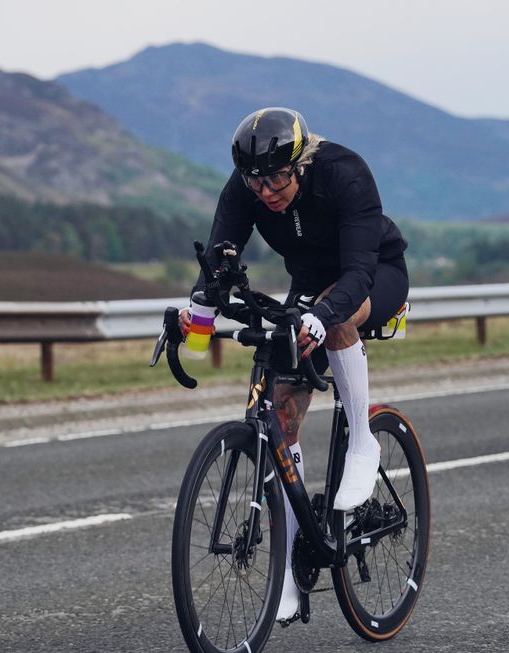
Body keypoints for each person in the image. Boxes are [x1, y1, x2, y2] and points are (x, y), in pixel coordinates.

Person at [180, 107, 409, 624]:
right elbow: (218, 263)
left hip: (375, 277)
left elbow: (357, 273)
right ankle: (288, 568)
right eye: (256, 180)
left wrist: (322, 317)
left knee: (340, 315)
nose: (267, 192)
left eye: (278, 177)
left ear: (302, 164)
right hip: (307, 283)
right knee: (280, 414)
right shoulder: (246, 190)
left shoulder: (344, 173)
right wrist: (194, 315)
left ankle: (362, 443)